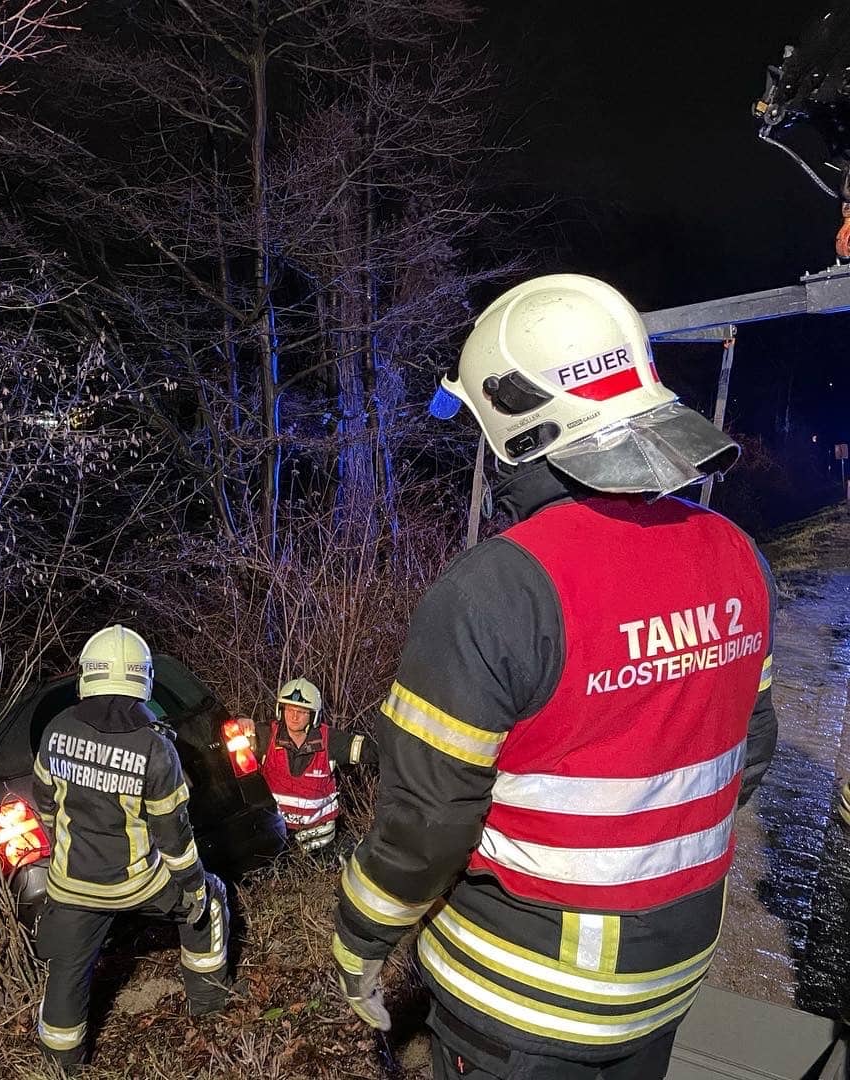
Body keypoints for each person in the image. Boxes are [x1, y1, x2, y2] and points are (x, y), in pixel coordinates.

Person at [332, 274, 779, 1080]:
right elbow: (748, 755)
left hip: (522, 1000)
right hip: (671, 976)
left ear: (515, 421)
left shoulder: (494, 589)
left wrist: (359, 936)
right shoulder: (738, 557)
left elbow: (426, 824)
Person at [32, 624, 231, 1070]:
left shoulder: (56, 729)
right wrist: (194, 886)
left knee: (67, 971)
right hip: (137, 883)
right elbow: (174, 837)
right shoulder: (154, 745)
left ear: (88, 673)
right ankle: (210, 1009)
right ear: (143, 677)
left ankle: (57, 1064)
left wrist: (70, 845)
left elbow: (46, 806)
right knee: (210, 899)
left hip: (70, 884)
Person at [255, 677, 371, 852]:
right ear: (281, 710)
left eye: (301, 711)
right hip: (277, 839)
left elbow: (372, 751)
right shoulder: (264, 736)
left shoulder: (330, 741)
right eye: (289, 709)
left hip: (319, 842)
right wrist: (242, 720)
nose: (294, 716)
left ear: (313, 715)